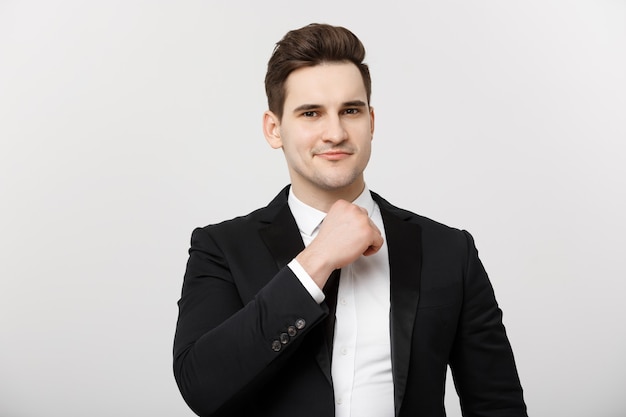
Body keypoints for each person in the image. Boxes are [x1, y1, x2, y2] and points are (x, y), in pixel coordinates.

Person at [173, 23, 527, 417]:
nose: (336, 132)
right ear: (275, 130)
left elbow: (498, 404)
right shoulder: (220, 248)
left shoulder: (449, 250)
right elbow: (201, 388)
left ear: (371, 121)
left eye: (351, 111)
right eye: (311, 113)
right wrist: (317, 259)